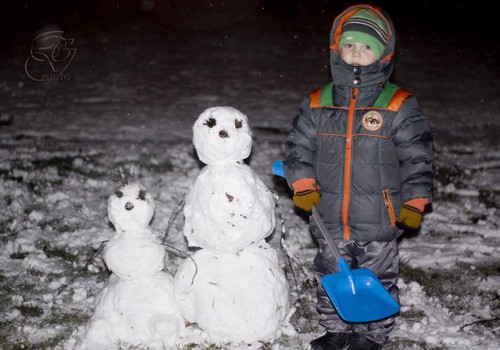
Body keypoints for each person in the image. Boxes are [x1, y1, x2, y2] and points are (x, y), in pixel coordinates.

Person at [283, 3, 434, 350]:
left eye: (367, 47)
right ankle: (335, 328)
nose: (356, 52)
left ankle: (370, 334)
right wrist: (303, 183)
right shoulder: (318, 102)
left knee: (377, 277)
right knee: (331, 274)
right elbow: (297, 148)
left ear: (383, 55)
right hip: (330, 215)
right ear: (337, 49)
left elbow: (418, 157)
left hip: (380, 216)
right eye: (350, 44)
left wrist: (415, 201)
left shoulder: (397, 104)